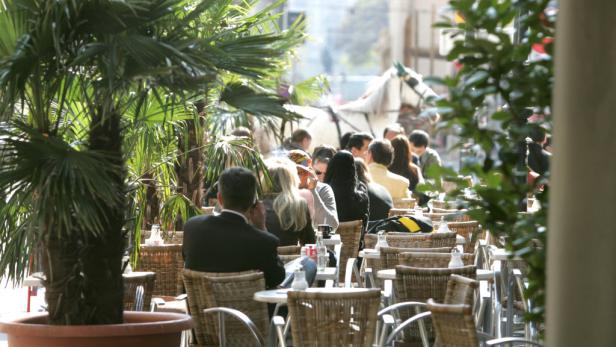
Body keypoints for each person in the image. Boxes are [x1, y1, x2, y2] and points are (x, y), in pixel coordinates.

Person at [183, 167, 285, 289]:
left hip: (201, 306)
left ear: (220, 198)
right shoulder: (264, 241)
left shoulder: (192, 227)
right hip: (248, 307)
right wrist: (262, 227)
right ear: (253, 202)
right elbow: (276, 278)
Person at [262, 159, 315, 246]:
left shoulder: (256, 205)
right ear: (292, 181)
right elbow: (310, 242)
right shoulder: (299, 204)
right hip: (291, 258)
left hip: (263, 257)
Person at [287, 150, 339, 229]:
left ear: (309, 172)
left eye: (301, 172)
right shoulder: (282, 191)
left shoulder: (322, 189)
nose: (296, 177)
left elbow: (332, 225)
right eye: (292, 172)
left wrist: (313, 191)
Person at [324, 151, 369, 230]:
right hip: (355, 241)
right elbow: (365, 226)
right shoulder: (361, 196)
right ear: (353, 168)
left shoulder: (323, 192)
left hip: (327, 240)